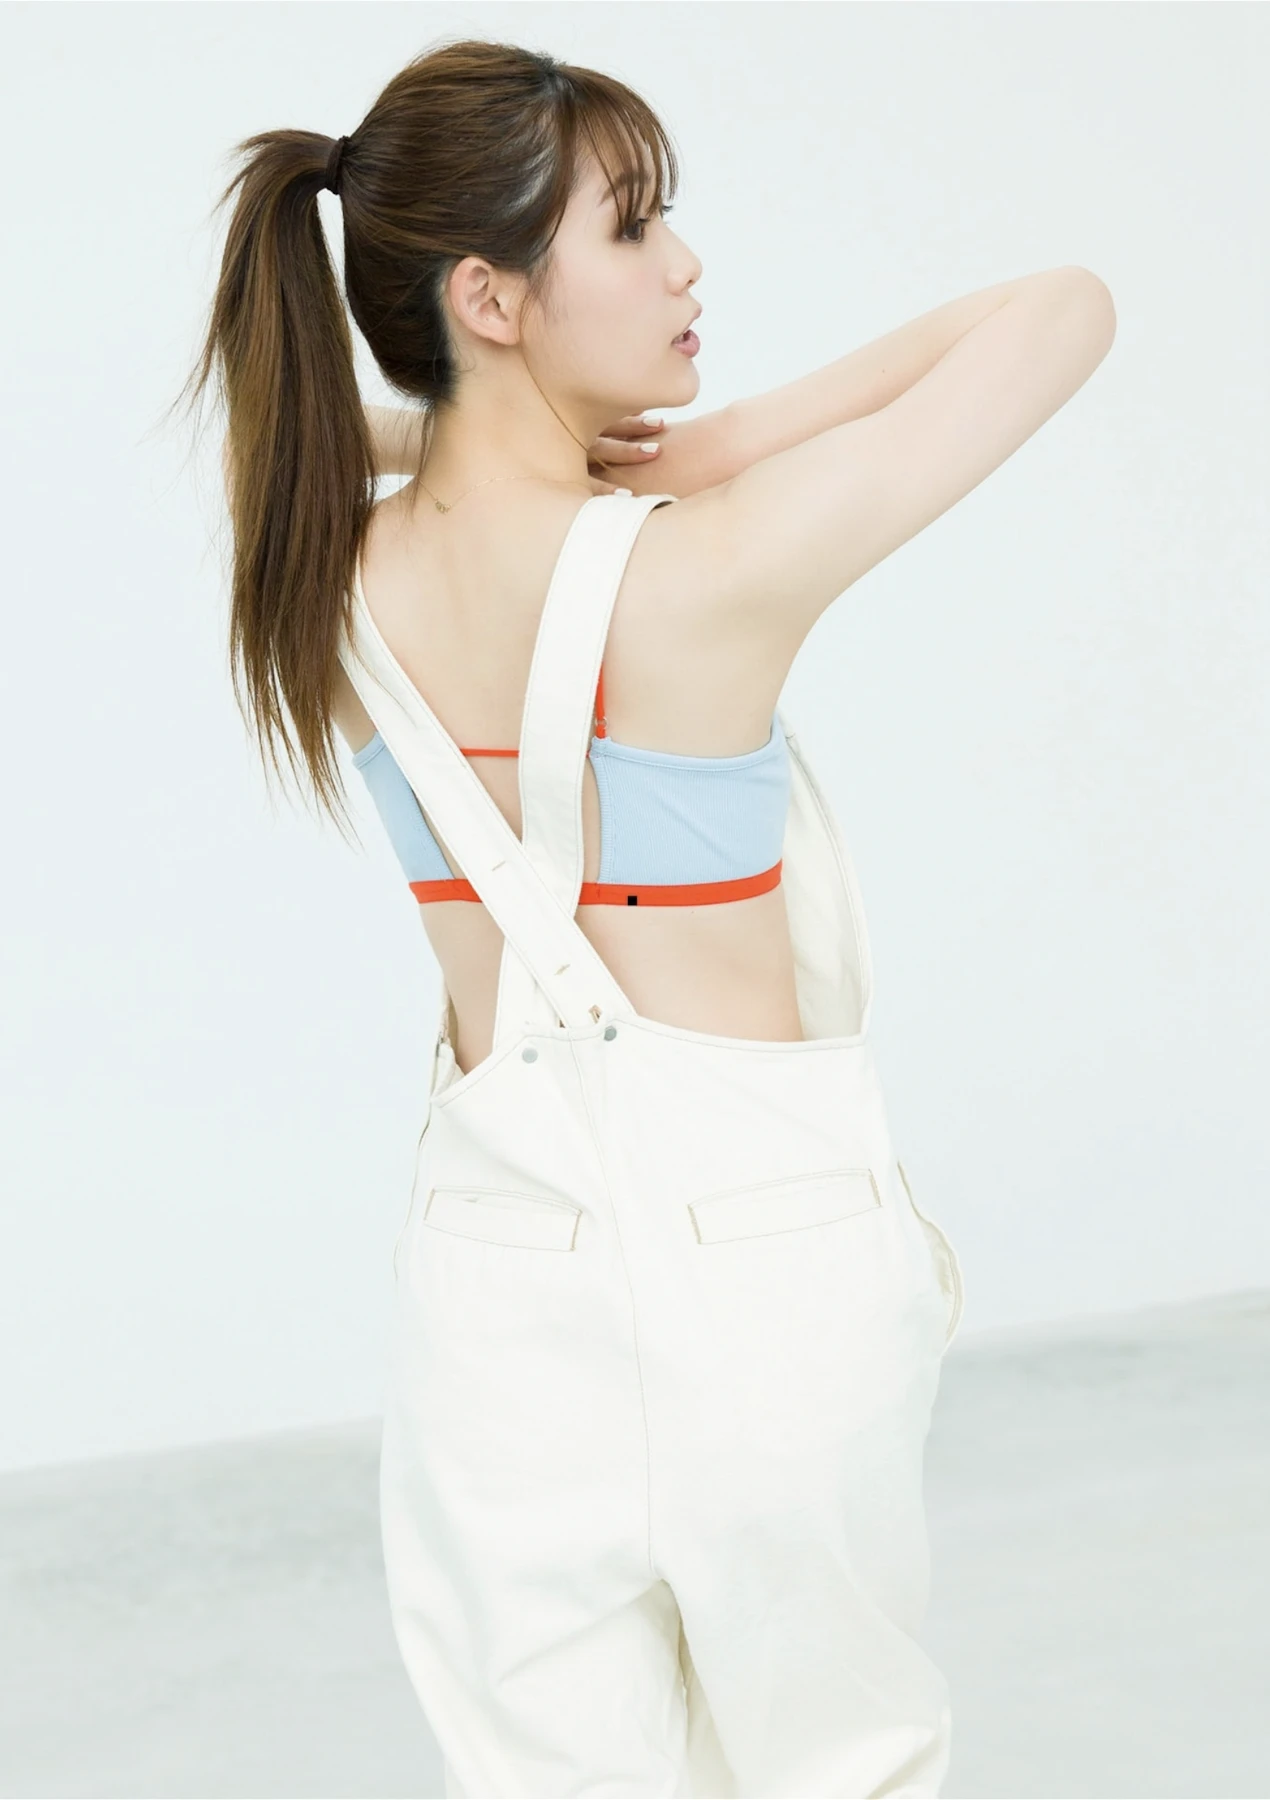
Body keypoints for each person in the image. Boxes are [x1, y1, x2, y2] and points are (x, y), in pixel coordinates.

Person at [178, 35, 1116, 1799]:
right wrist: (715, 447)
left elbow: (309, 441)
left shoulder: (323, 576)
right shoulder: (714, 559)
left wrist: (519, 433)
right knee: (838, 1761)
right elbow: (1060, 310)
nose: (683, 266)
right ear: (488, 296)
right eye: (630, 226)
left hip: (491, 1272)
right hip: (764, 1256)